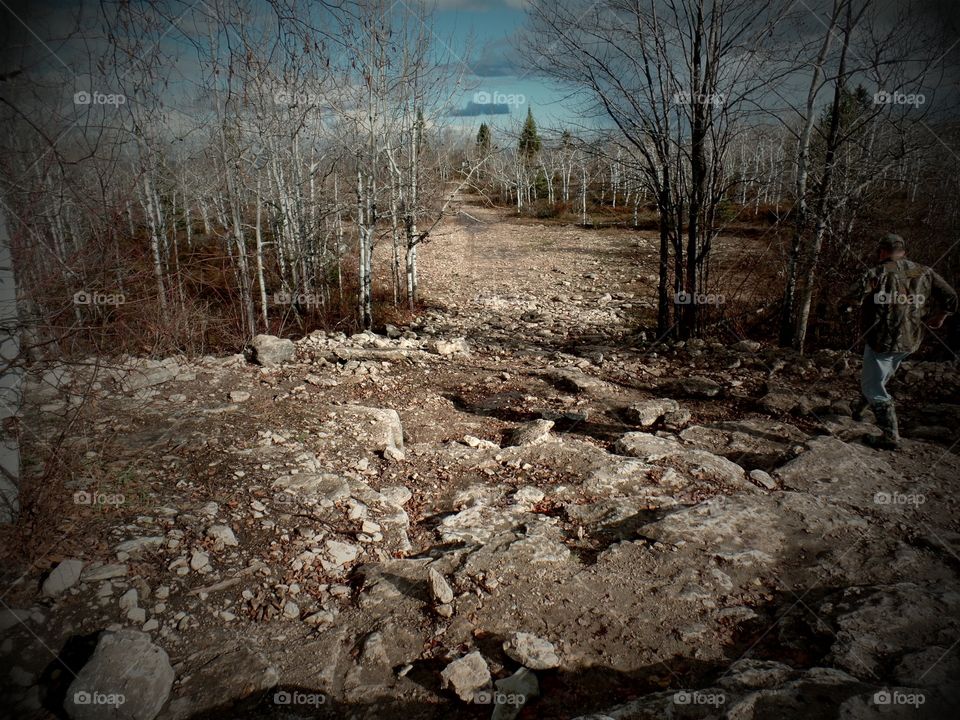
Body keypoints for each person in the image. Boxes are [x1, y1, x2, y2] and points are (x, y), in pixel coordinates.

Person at [842, 233, 957, 450]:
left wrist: (846, 309)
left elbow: (851, 298)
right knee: (881, 374)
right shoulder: (924, 271)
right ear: (903, 252)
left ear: (883, 251)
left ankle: (890, 435)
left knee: (873, 383)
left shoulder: (878, 272)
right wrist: (941, 316)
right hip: (911, 339)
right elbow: (950, 296)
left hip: (883, 339)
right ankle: (859, 407)